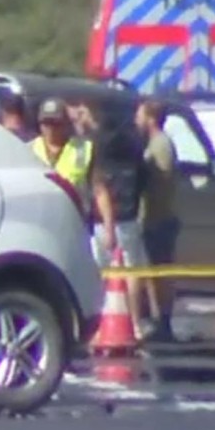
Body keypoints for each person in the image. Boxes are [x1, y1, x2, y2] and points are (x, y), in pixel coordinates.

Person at [89, 112, 152, 338]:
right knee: (132, 270)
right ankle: (134, 323)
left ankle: (101, 324)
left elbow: (98, 187)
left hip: (102, 223)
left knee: (103, 273)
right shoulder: (134, 150)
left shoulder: (100, 152)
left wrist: (107, 225)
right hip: (129, 218)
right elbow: (145, 182)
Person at [135, 98, 180, 340]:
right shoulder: (152, 142)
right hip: (153, 217)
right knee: (151, 270)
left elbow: (161, 180)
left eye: (140, 115)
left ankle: (163, 320)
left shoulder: (160, 144)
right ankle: (156, 316)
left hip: (158, 218)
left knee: (158, 271)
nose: (136, 120)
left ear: (151, 118)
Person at [30, 98, 95, 208]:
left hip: (73, 217)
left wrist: (108, 224)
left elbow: (99, 190)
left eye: (56, 123)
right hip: (39, 215)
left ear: (66, 123)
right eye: (46, 123)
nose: (51, 128)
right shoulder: (28, 149)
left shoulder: (83, 149)